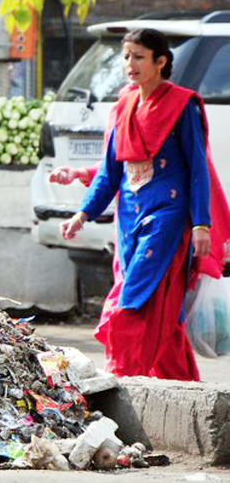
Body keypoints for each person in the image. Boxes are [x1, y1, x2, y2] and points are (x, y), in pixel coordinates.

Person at [59, 28, 230, 380]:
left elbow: (198, 168)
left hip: (167, 214)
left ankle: (122, 377)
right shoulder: (123, 104)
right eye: (126, 57)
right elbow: (111, 171)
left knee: (131, 299)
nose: (129, 64)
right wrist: (82, 215)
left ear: (160, 61)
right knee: (161, 305)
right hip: (128, 216)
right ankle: (179, 387)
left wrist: (201, 223)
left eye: (138, 57)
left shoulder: (183, 105)